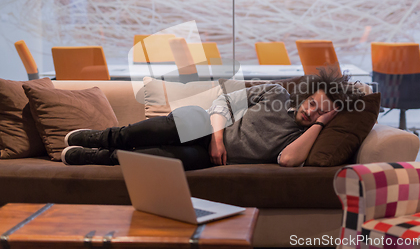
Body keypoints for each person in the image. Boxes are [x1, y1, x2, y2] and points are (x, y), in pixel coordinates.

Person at [61, 68, 364, 169]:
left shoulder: (304, 139)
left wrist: (322, 123)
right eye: (312, 103)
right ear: (307, 95)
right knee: (171, 125)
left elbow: (286, 161)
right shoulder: (275, 93)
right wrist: (218, 140)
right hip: (207, 127)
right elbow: (224, 102)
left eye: (320, 112)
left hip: (209, 158)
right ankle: (104, 137)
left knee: (158, 160)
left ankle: (101, 157)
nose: (311, 111)